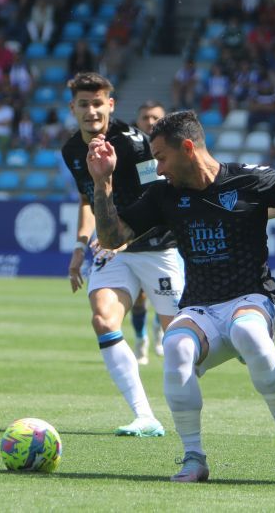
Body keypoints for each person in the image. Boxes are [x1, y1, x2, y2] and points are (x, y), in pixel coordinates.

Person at [85, 110, 275, 483]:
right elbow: (114, 239)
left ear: (188, 148)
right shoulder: (163, 195)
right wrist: (103, 182)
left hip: (251, 299)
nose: (158, 168)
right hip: (200, 308)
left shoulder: (253, 179)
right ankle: (193, 457)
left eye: (161, 157)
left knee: (248, 333)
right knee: (175, 347)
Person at [61, 73, 184, 437]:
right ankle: (145, 416)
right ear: (73, 108)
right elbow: (87, 199)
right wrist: (81, 246)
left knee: (182, 345)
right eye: (83, 104)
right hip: (114, 252)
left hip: (155, 247)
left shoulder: (133, 144)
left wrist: (125, 235)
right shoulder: (71, 150)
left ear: (110, 105)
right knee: (103, 319)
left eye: (97, 103)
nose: (91, 111)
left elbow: (159, 193)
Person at [129, 100, 167, 364]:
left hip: (170, 237)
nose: (150, 122)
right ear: (138, 121)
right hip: (137, 234)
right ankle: (141, 338)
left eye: (156, 118)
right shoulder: (129, 153)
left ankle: (159, 329)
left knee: (169, 295)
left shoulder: (175, 150)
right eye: (145, 118)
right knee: (139, 298)